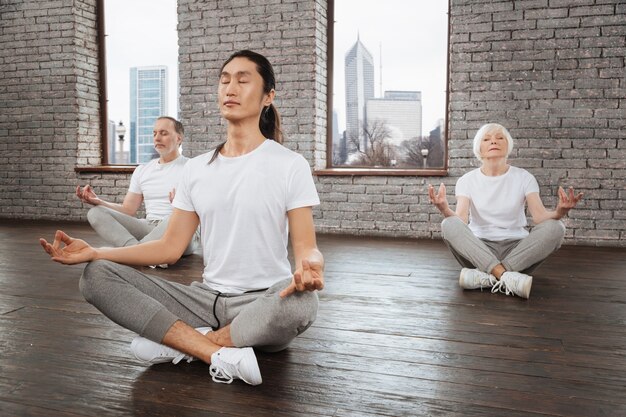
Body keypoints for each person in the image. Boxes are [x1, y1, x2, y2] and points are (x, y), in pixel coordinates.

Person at [40, 50, 323, 386]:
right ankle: (217, 352)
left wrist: (310, 265)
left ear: (267, 97)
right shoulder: (196, 169)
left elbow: (306, 247)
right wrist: (96, 252)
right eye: (224, 80)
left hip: (261, 303)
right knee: (95, 276)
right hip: (204, 300)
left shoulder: (289, 164)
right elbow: (169, 247)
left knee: (303, 302)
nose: (230, 88)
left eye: (243, 80)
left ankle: (188, 342)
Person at [428, 123, 583, 299]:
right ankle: (507, 277)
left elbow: (540, 217)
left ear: (507, 145)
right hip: (478, 250)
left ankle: (488, 277)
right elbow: (461, 220)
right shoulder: (466, 180)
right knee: (448, 223)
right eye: (487, 139)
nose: (493, 141)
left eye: (499, 137)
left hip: (517, 251)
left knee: (557, 228)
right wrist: (445, 209)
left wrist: (559, 212)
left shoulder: (524, 177)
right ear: (479, 148)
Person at [76, 116, 199, 263]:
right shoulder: (142, 170)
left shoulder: (193, 167)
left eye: (164, 133)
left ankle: (132, 254)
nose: (157, 138)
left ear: (179, 138)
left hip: (181, 228)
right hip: (149, 226)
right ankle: (137, 252)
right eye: (154, 134)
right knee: (95, 213)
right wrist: (99, 201)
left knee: (174, 217)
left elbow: (204, 210)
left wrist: (182, 206)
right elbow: (128, 210)